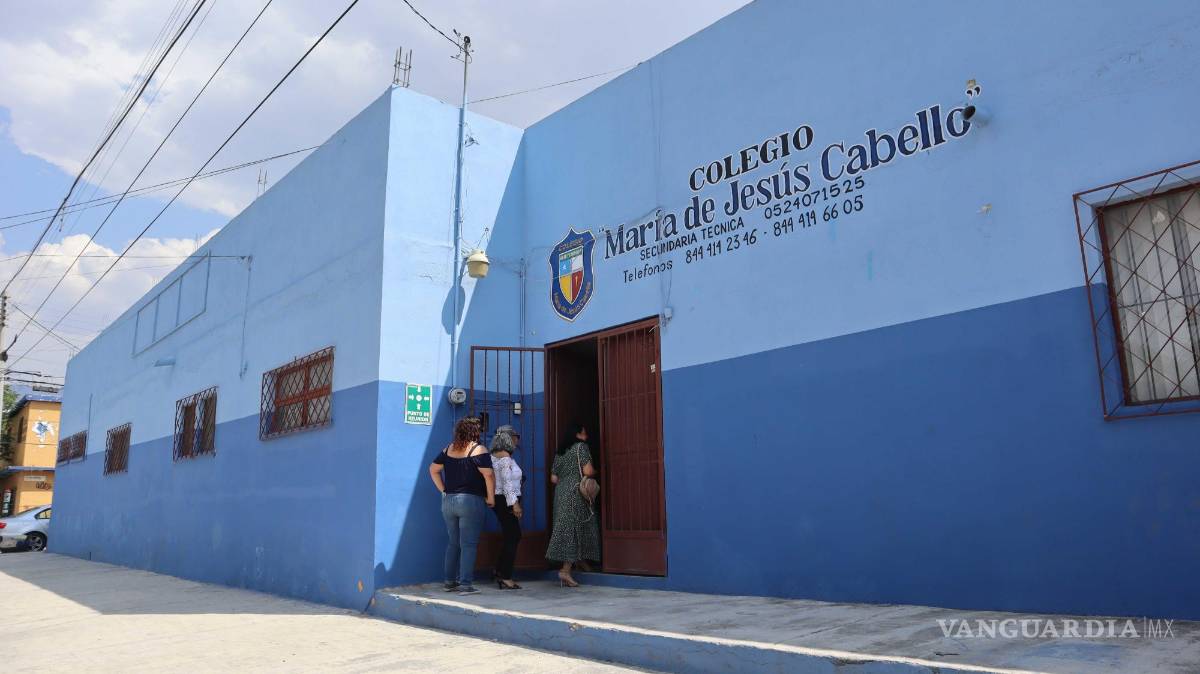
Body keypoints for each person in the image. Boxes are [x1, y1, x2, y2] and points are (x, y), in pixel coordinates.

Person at [429, 416, 494, 595]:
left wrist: (444, 490)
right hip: (470, 501)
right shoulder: (478, 449)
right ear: (475, 431)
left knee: (453, 543)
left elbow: (433, 470)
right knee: (469, 544)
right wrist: (491, 498)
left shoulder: (448, 449)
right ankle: (466, 585)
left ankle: (450, 582)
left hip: (449, 501)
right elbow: (488, 475)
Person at [546, 423, 600, 587]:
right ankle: (565, 570)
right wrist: (595, 471)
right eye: (584, 433)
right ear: (577, 434)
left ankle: (580, 561)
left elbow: (553, 479)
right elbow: (588, 471)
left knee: (570, 526)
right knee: (575, 528)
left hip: (561, 493)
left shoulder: (560, 452)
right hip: (576, 493)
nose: (586, 437)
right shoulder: (581, 447)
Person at [489, 424, 524, 590]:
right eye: (515, 436)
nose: (518, 439)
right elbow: (506, 483)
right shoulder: (504, 458)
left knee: (512, 535)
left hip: (501, 499)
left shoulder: (498, 456)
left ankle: (499, 570)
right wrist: (515, 503)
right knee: (514, 535)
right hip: (506, 500)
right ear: (508, 438)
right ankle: (505, 576)